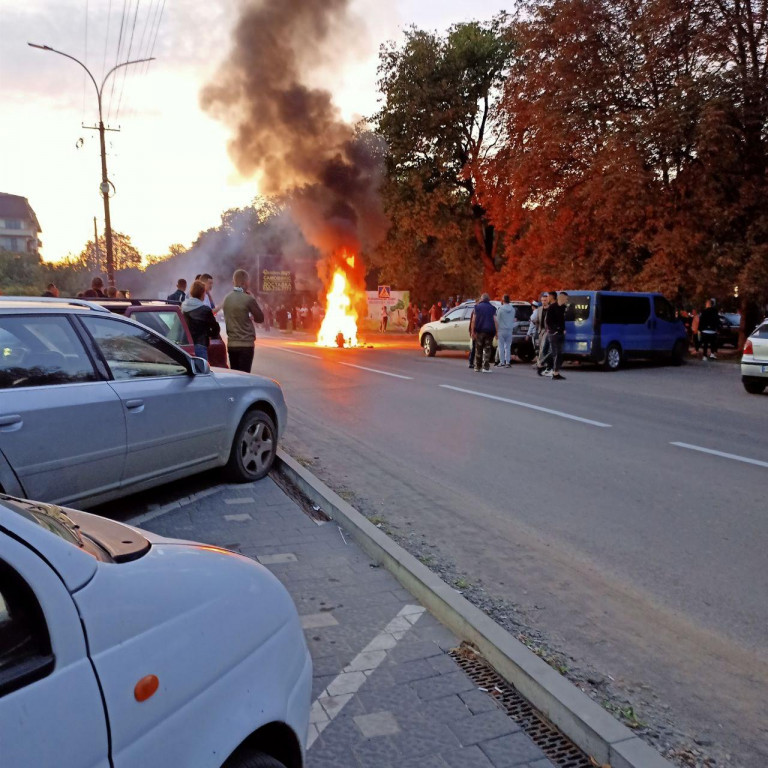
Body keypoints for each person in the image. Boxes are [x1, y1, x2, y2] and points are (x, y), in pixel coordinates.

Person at [222, 269, 264, 372]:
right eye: (248, 281)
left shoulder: (227, 298)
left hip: (232, 344)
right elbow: (260, 318)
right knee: (245, 375)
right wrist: (252, 298)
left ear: (234, 282)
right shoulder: (248, 299)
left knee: (235, 375)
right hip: (246, 344)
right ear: (244, 283)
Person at [182, 280, 220, 360]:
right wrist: (208, 335)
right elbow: (215, 328)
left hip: (184, 346)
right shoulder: (205, 310)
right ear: (203, 294)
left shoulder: (182, 308)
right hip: (200, 346)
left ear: (191, 293)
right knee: (201, 370)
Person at [470, 293, 498, 373]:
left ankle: (477, 367)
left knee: (478, 349)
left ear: (481, 299)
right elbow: (495, 321)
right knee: (487, 349)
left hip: (479, 331)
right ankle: (486, 367)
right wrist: (497, 332)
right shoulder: (492, 308)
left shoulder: (477, 308)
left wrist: (472, 331)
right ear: (488, 300)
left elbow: (473, 320)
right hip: (489, 332)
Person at [543, 291, 567, 380]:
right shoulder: (552, 307)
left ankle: (555, 371)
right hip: (554, 333)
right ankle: (552, 371)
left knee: (560, 353)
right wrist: (555, 330)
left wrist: (563, 329)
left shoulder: (563, 307)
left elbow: (562, 320)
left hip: (560, 332)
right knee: (555, 352)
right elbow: (548, 321)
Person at [496, 294, 516, 367]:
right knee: (508, 346)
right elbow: (513, 319)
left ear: (503, 300)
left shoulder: (500, 309)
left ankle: (502, 362)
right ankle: (508, 362)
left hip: (501, 329)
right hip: (509, 330)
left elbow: (497, 320)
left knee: (501, 346)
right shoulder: (513, 309)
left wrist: (496, 331)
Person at [535, 292, 552, 374]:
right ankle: (544, 364)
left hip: (548, 330)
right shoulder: (539, 309)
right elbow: (537, 320)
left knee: (543, 348)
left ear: (548, 300)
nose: (543, 302)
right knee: (542, 349)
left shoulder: (551, 309)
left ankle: (540, 364)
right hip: (541, 331)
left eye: (545, 300)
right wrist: (538, 328)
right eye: (542, 300)